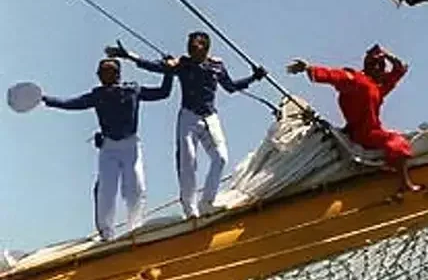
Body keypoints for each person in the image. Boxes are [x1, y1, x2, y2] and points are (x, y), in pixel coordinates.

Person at [106, 32, 266, 218]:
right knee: (188, 162)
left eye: (194, 45)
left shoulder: (217, 66)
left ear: (205, 47)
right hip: (188, 117)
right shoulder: (182, 64)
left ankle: (207, 202)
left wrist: (254, 78)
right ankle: (190, 209)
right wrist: (128, 55)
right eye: (188, 44)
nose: (189, 48)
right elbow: (154, 67)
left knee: (220, 158)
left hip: (210, 116)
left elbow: (230, 87)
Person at [40, 57, 173, 241]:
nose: (105, 75)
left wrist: (168, 72)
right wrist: (47, 99)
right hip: (109, 147)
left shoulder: (132, 90)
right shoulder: (98, 95)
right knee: (106, 191)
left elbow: (163, 93)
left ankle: (136, 227)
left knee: (135, 187)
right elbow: (71, 103)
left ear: (118, 74)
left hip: (130, 145)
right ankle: (106, 234)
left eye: (109, 71)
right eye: (102, 72)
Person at [286, 45, 420, 193]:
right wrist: (308, 68)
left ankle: (392, 170)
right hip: (363, 134)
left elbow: (399, 70)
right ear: (372, 67)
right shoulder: (357, 80)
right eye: (379, 66)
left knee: (401, 138)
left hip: (371, 131)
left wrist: (386, 54)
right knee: (396, 142)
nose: (383, 71)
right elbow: (335, 75)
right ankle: (405, 183)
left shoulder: (376, 87)